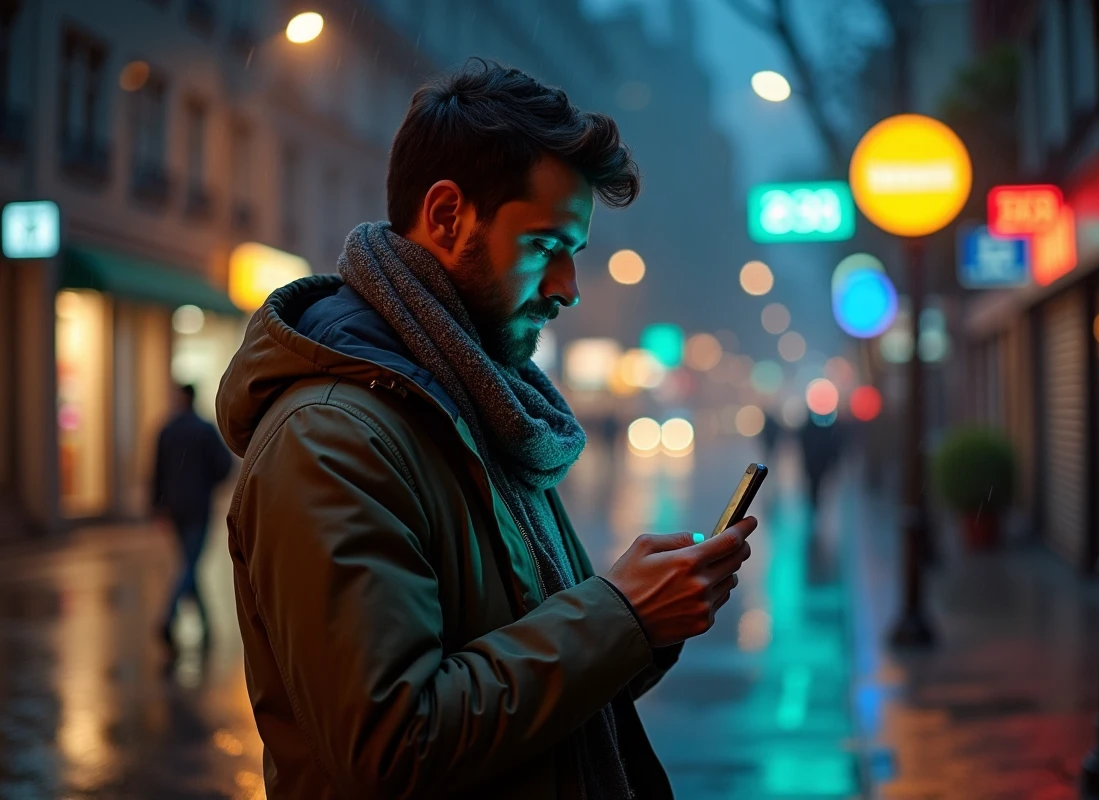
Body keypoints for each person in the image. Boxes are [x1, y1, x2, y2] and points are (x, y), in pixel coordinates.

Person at [215, 60, 756, 800]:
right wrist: (617, 612)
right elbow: (393, 749)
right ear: (445, 216)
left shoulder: (480, 402)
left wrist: (644, 620)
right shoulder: (331, 439)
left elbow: (526, 665)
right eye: (544, 247)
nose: (567, 288)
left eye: (576, 253)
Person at [152, 383, 232, 651]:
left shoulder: (167, 429)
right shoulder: (204, 430)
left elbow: (156, 472)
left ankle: (207, 627)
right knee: (190, 564)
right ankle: (169, 615)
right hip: (198, 506)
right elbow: (225, 466)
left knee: (189, 563)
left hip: (174, 508)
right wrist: (208, 483)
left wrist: (157, 506)